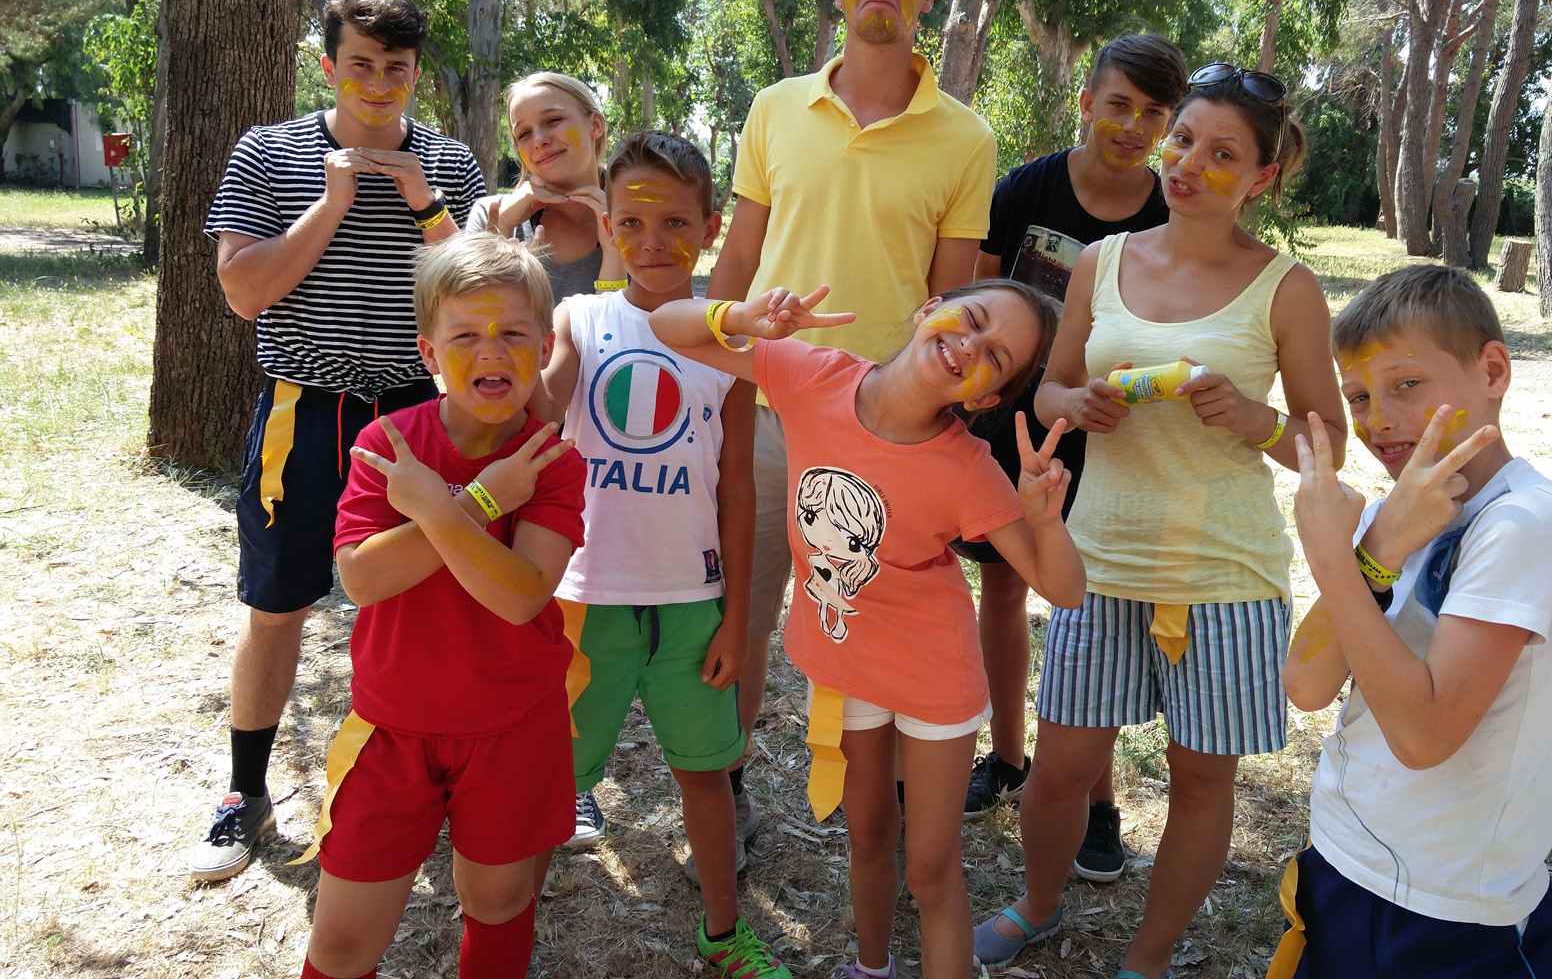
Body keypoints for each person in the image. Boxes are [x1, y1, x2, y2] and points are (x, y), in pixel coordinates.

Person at [974, 64, 1348, 977]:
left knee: (1201, 781)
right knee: (1060, 770)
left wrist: (1254, 420)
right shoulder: (1102, 263)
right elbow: (1050, 385)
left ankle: (1147, 958)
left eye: (1222, 154)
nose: (1186, 164)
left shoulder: (1285, 288)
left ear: (1261, 177)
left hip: (1224, 574)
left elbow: (1326, 442)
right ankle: (1036, 907)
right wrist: (1076, 403)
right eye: (1182, 140)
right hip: (1100, 558)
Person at [650, 278, 1086, 979]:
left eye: (996, 357)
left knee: (932, 873)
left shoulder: (969, 468)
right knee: (869, 836)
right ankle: (871, 967)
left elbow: (1063, 589)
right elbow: (668, 326)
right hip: (847, 666)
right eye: (971, 319)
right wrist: (741, 316)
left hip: (935, 681)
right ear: (929, 309)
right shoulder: (811, 374)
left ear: (984, 399)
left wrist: (1043, 519)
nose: (971, 345)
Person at [706, 0, 998, 839]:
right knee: (747, 613)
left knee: (887, 623)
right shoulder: (774, 109)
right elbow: (739, 258)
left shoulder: (967, 138)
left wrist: (937, 413)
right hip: (770, 407)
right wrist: (714, 366)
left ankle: (900, 812)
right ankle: (730, 788)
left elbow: (950, 302)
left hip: (887, 430)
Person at [190, 0, 484, 881]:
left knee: (421, 608)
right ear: (328, 66)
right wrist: (331, 200)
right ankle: (245, 794)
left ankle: (432, 789)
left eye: (396, 68)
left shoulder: (449, 161)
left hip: (415, 416)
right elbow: (244, 292)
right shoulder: (269, 152)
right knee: (277, 605)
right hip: (305, 412)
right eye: (360, 65)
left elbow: (480, 295)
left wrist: (425, 202)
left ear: (416, 72)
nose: (378, 85)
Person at [1270, 266, 1552, 978]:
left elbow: (1424, 736)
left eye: (1407, 384)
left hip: (1451, 910)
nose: (1378, 419)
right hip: (1342, 858)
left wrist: (1332, 558)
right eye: (1358, 397)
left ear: (1493, 371)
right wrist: (1377, 549)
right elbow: (1305, 684)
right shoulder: (1394, 517)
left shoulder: (1529, 523)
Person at [530, 131, 788, 977]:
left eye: (676, 222)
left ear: (710, 230)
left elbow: (737, 489)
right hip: (584, 600)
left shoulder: (731, 346)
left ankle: (724, 934)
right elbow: (542, 408)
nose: (652, 241)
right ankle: (503, 923)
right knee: (549, 779)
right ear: (606, 225)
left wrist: (736, 619)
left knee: (706, 776)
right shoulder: (578, 318)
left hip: (690, 606)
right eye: (632, 222)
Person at [295, 231, 586, 979]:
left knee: (497, 899)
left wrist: (442, 507)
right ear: (429, 353)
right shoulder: (388, 445)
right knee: (341, 942)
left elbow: (521, 596)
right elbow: (363, 580)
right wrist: (481, 501)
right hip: (392, 728)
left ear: (543, 347)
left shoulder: (550, 462)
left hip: (512, 725)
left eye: (513, 335)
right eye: (465, 337)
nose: (492, 352)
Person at [958, 35, 1186, 886]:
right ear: (1087, 102)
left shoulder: (1169, 216)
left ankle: (1097, 801)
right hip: (1012, 424)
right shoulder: (1025, 189)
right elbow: (979, 298)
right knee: (1003, 587)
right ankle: (1008, 758)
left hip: (1115, 434)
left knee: (1091, 608)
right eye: (1119, 104)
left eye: (1154, 114)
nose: (1133, 126)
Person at [467, 71, 625, 301]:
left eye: (553, 120)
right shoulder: (490, 214)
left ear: (595, 125)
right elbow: (471, 312)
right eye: (524, 134)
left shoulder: (638, 219)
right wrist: (499, 233)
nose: (539, 140)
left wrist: (614, 252)